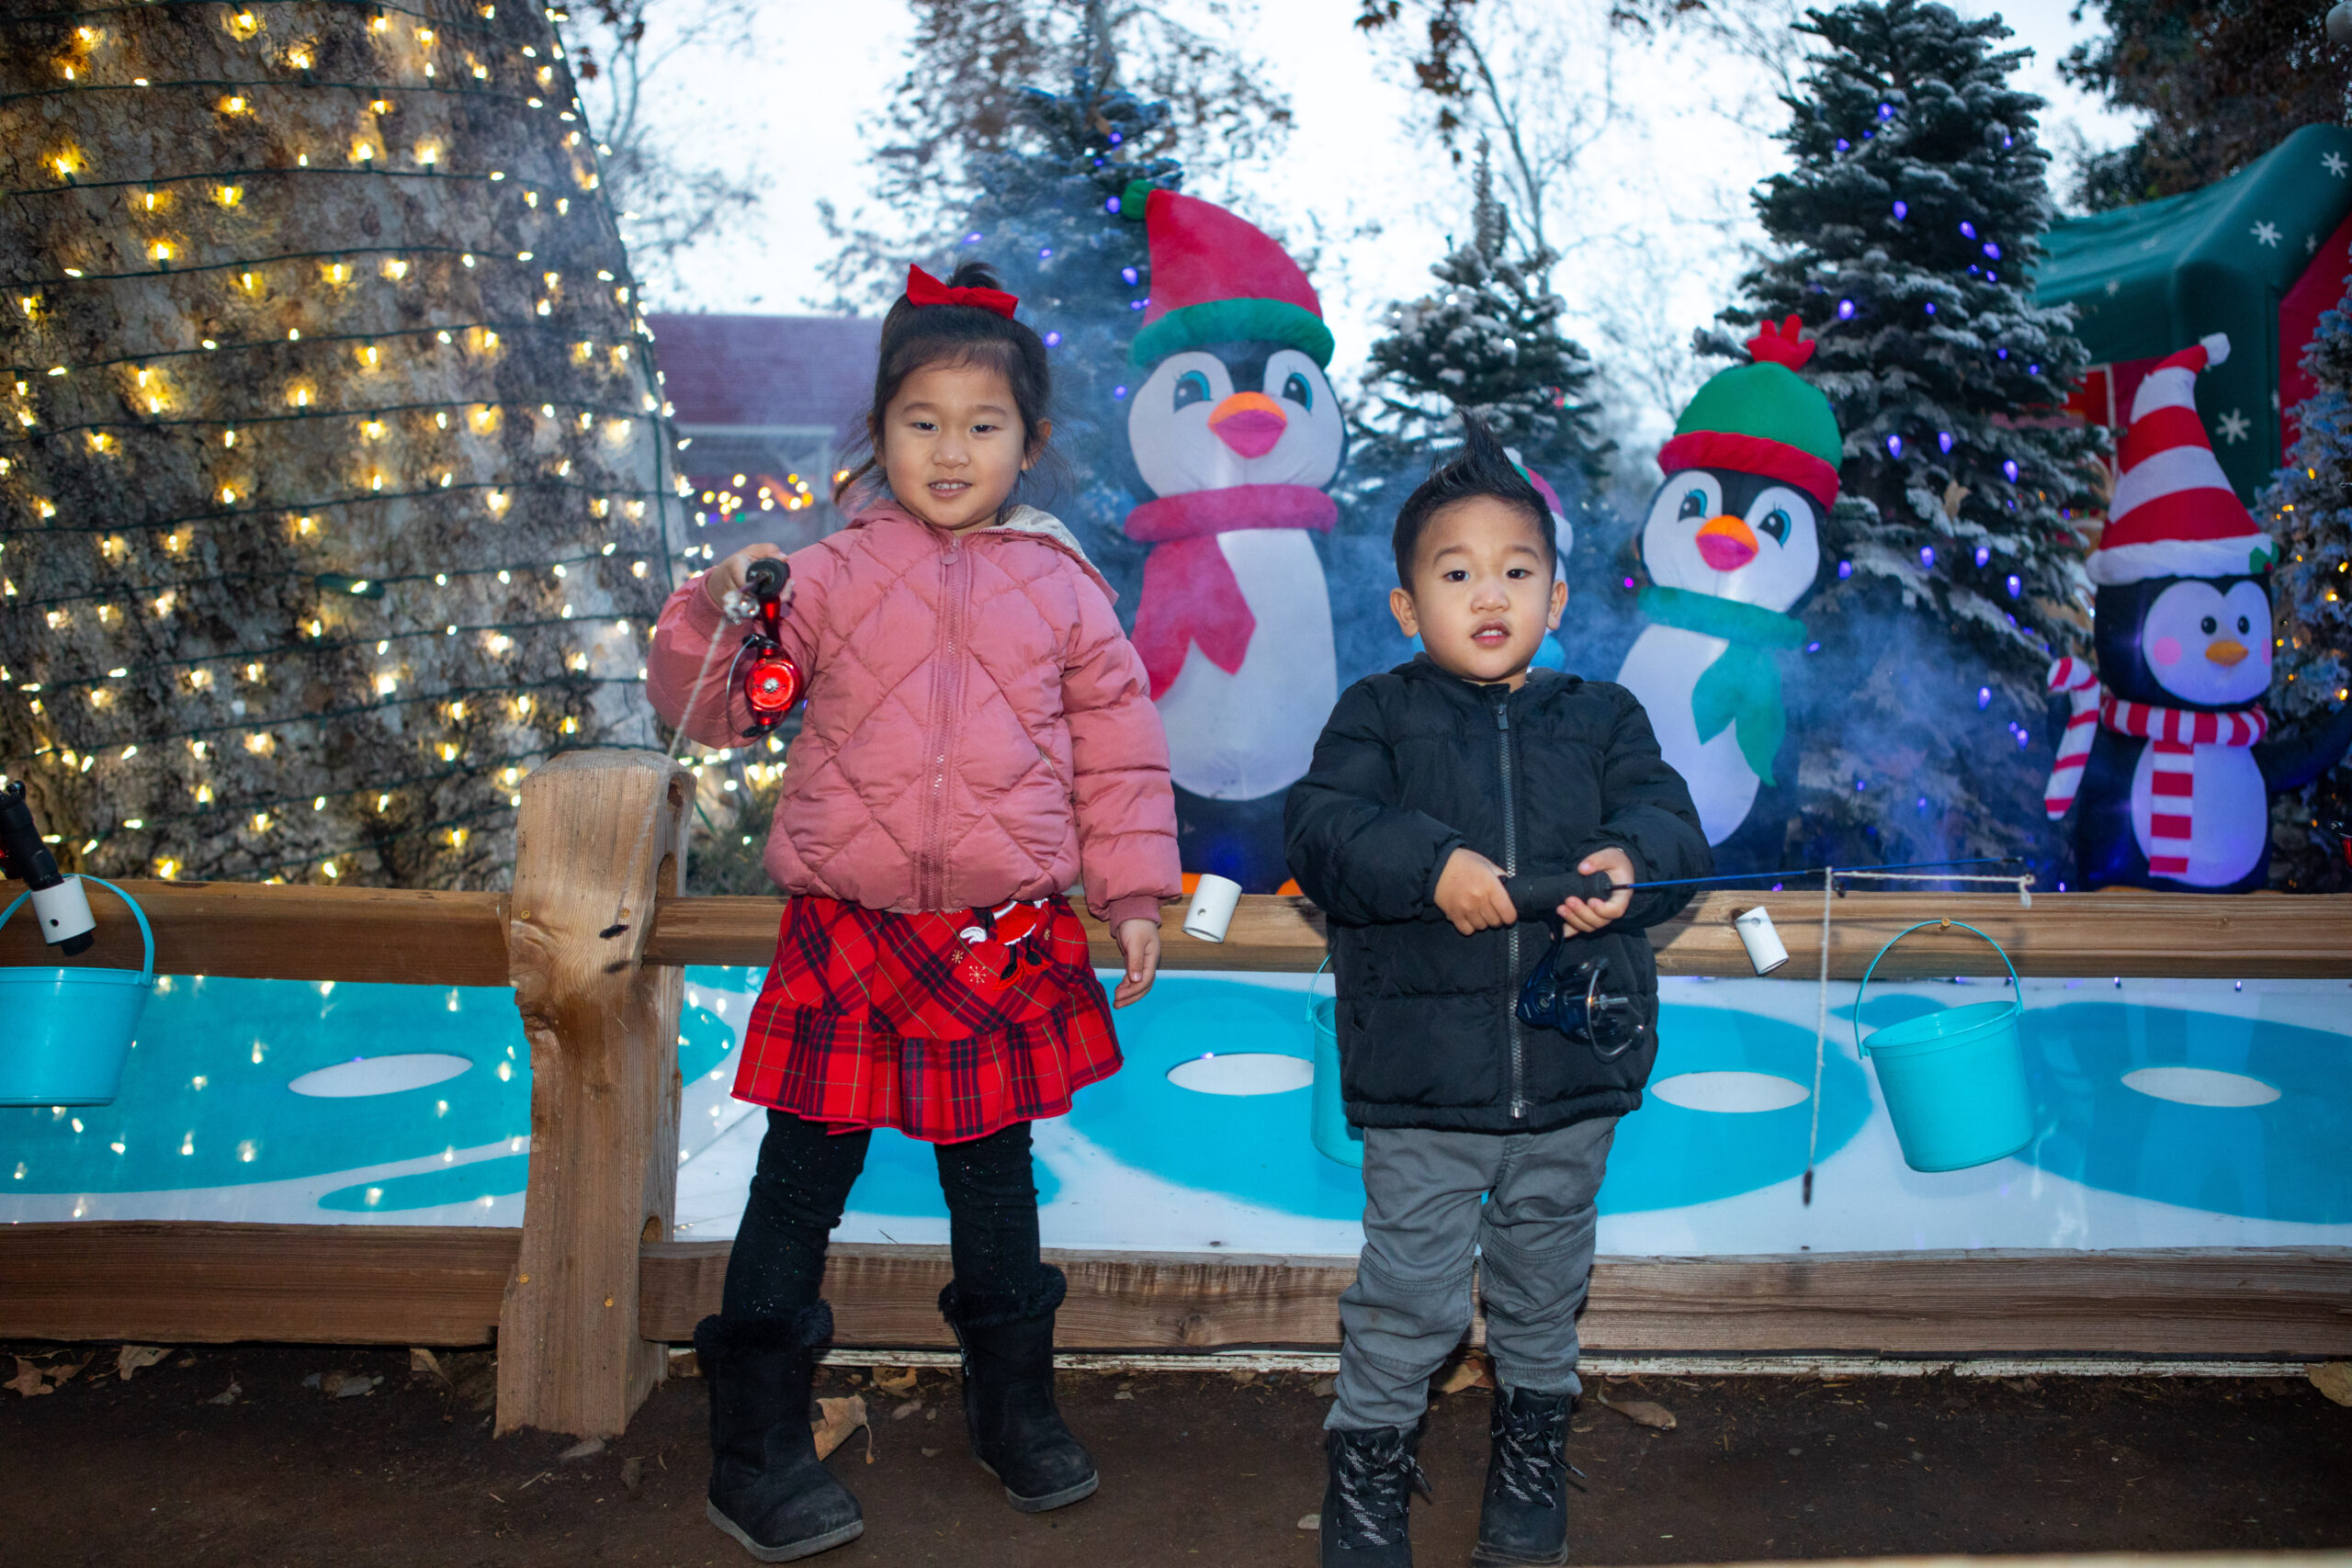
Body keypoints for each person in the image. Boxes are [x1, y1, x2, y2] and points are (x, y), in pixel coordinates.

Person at [647, 260, 1182, 1562]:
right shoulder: (820, 575)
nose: (952, 449)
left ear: (1030, 443)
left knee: (995, 1180)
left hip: (999, 929)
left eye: (983, 424)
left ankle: (1015, 1407)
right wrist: (718, 608)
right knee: (799, 1177)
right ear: (879, 431)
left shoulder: (1062, 589)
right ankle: (755, 1439)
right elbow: (717, 711)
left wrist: (1130, 887)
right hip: (852, 926)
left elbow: (1118, 746)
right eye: (923, 421)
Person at [1284, 418, 1710, 1568]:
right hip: (1423, 1085)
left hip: (1573, 1077)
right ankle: (1365, 1474)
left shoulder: (1606, 718)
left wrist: (1628, 865)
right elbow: (1322, 833)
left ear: (1558, 599)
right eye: (1455, 571)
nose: (1489, 593)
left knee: (1541, 1284)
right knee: (1408, 1301)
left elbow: (1673, 827)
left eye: (1516, 571)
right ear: (1406, 606)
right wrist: (1431, 865)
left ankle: (1529, 1454)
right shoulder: (1376, 714)